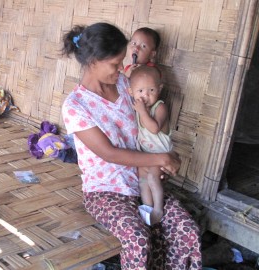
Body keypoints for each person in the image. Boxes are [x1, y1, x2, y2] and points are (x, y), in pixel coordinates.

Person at [61, 22, 201, 269]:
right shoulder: (75, 106)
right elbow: (109, 153)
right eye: (115, 64)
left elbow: (149, 129)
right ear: (93, 61)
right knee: (138, 239)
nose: (120, 70)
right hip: (105, 191)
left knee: (185, 229)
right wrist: (161, 159)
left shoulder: (126, 86)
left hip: (141, 179)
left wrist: (163, 155)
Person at [129, 66, 172, 226]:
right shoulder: (140, 108)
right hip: (145, 156)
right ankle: (147, 207)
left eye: (151, 90)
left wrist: (142, 112)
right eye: (140, 91)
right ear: (131, 92)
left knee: (153, 179)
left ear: (159, 89)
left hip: (160, 157)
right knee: (143, 181)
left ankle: (158, 210)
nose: (145, 95)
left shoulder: (159, 107)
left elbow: (154, 128)